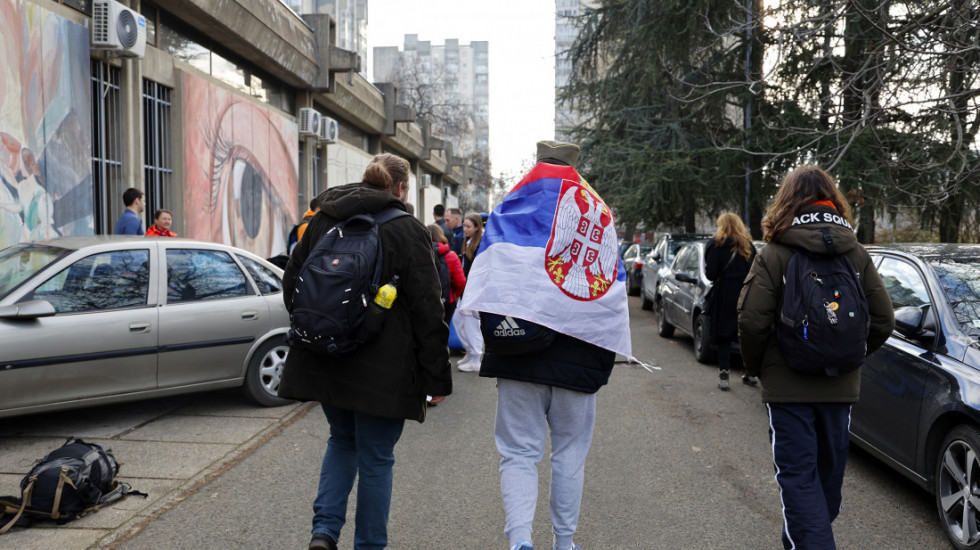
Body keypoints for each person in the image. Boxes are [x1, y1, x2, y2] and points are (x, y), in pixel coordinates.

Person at [458, 140, 632, 550]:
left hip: (518, 350)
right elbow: (612, 285)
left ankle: (520, 541)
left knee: (518, 453)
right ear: (576, 165)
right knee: (569, 454)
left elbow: (485, 273)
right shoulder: (598, 214)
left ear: (537, 162)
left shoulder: (509, 208)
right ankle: (564, 543)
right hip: (580, 354)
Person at [278, 153, 452, 550]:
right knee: (376, 458)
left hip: (326, 360)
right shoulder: (408, 230)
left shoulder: (324, 218)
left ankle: (323, 532)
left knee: (341, 441)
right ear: (402, 188)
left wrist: (322, 331)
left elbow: (292, 283)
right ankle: (369, 545)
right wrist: (436, 378)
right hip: (384, 370)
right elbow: (429, 311)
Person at [737, 165, 894, 550]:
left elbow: (752, 321)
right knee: (826, 482)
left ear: (787, 202)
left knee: (798, 480)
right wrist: (851, 355)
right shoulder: (855, 253)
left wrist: (760, 370)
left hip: (788, 388)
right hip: (839, 386)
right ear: (831, 200)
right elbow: (884, 320)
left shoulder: (774, 253)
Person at [704, 212, 755, 390]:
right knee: (746, 334)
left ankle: (724, 374)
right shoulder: (748, 245)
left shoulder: (716, 244)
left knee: (724, 335)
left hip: (725, 293)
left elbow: (710, 274)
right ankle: (750, 372)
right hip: (747, 294)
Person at [427, 223, 466, 326]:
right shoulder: (452, 255)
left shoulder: (422, 254)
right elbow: (461, 281)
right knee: (446, 329)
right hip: (448, 300)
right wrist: (454, 294)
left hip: (427, 299)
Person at [460, 212, 484, 277]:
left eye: (468, 227)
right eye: (464, 226)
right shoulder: (467, 241)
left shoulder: (480, 244)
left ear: (477, 227)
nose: (464, 229)